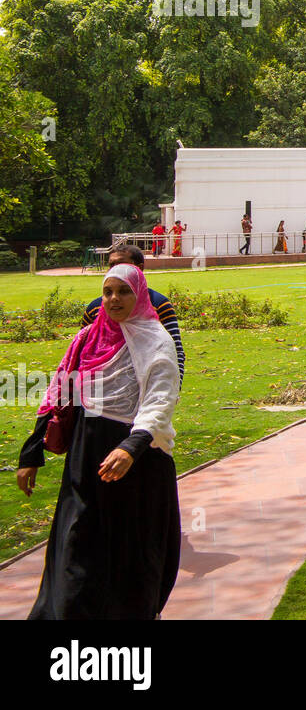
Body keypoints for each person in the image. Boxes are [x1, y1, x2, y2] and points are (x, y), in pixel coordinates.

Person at [16, 263, 181, 619]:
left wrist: (130, 447)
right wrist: (31, 452)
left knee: (129, 553)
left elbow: (160, 399)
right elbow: (59, 390)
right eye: (108, 291)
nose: (114, 299)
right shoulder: (87, 338)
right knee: (76, 542)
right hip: (86, 456)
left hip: (137, 462)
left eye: (123, 291)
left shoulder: (156, 341)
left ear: (138, 295)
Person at [82, 243, 186, 387]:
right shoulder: (95, 309)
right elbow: (84, 354)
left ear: (140, 268)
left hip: (146, 388)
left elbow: (175, 352)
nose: (116, 270)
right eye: (112, 265)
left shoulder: (158, 305)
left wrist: (171, 391)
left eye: (121, 264)